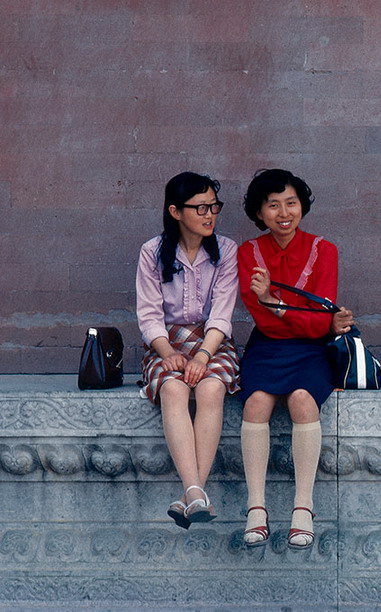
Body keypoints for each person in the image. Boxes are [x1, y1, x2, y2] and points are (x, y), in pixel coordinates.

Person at [237, 169, 354, 549]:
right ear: (259, 212)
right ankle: (256, 508)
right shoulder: (248, 253)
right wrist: (299, 317)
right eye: (273, 205)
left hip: (312, 351)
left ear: (302, 205)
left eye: (291, 203)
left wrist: (277, 305)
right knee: (255, 402)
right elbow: (263, 318)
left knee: (303, 400)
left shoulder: (325, 250)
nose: (283, 212)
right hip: (267, 347)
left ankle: (302, 508)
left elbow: (321, 326)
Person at [136, 172, 239, 529]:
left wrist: (202, 356)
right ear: (176, 211)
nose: (210, 214)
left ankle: (191, 494)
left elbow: (223, 313)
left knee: (211, 388)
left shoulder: (226, 250)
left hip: (212, 342)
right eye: (200, 208)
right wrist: (167, 353)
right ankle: (195, 493)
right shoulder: (152, 252)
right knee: (174, 388)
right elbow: (149, 315)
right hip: (166, 342)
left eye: (214, 206)